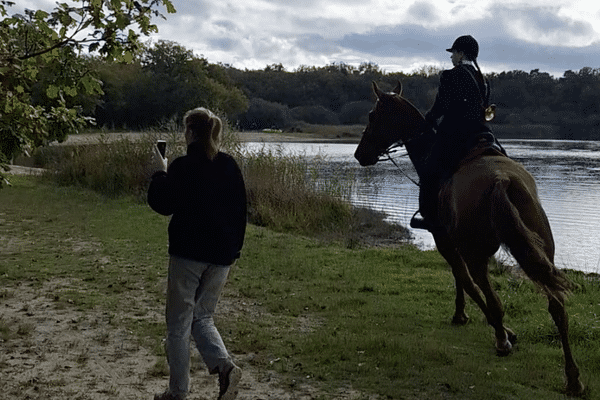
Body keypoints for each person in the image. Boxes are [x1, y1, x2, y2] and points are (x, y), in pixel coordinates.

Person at [148, 107, 247, 400]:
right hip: (222, 257)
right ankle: (225, 368)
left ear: (189, 132)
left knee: (178, 323)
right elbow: (241, 211)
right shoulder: (229, 165)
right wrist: (234, 250)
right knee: (202, 317)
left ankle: (178, 392)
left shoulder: (182, 166)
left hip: (188, 254)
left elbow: (164, 204)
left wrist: (158, 173)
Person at [411, 35, 503, 231]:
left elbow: (440, 107)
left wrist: (428, 119)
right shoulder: (483, 78)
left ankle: (429, 217)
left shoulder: (451, 75)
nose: (451, 57)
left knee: (429, 172)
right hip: (481, 132)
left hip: (455, 134)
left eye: (453, 53)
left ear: (460, 54)